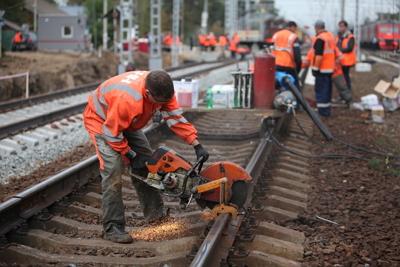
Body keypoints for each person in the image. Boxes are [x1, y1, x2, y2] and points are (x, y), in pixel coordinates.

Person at [83, 70, 209, 244]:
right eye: (159, 103)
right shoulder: (128, 100)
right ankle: (112, 228)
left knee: (149, 166)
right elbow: (112, 134)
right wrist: (131, 155)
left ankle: (156, 218)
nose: (162, 106)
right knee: (113, 172)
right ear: (148, 94)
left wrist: (196, 144)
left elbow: (175, 117)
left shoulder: (163, 89)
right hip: (102, 123)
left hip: (125, 121)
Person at [309, 20, 336, 117]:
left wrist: (315, 69)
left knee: (321, 90)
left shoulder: (320, 38)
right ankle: (326, 110)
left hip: (322, 70)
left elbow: (319, 56)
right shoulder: (330, 36)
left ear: (317, 27)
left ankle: (322, 112)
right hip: (329, 69)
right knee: (327, 91)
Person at [271, 21, 302, 88]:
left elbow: (271, 50)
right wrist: (298, 69)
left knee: (277, 84)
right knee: (294, 87)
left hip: (275, 65)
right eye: (295, 29)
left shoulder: (276, 35)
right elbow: (297, 56)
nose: (295, 31)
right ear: (292, 27)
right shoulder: (293, 36)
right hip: (288, 66)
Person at [336, 20, 356, 91]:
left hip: (347, 61)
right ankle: (345, 92)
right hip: (340, 60)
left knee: (345, 77)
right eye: (340, 26)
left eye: (342, 26)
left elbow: (349, 48)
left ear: (346, 27)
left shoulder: (350, 37)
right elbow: (336, 46)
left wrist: (339, 50)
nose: (341, 28)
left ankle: (348, 91)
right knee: (343, 78)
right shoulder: (339, 37)